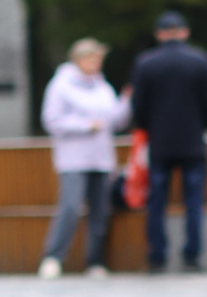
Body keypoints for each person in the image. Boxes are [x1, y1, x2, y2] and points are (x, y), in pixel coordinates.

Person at [128, 10, 207, 274]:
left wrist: (149, 127)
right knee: (194, 201)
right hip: (193, 141)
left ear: (159, 34)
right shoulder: (200, 61)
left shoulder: (146, 63)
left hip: (160, 143)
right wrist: (203, 126)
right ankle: (192, 256)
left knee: (157, 201)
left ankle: (157, 256)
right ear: (184, 32)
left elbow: (138, 107)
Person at [36, 37, 135, 279]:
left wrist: (127, 102)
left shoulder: (102, 86)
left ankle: (95, 260)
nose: (97, 64)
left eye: (99, 60)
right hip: (73, 158)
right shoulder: (61, 85)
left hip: (101, 158)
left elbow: (114, 121)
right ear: (79, 60)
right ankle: (53, 257)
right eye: (93, 59)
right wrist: (85, 126)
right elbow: (51, 120)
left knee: (100, 211)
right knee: (70, 207)